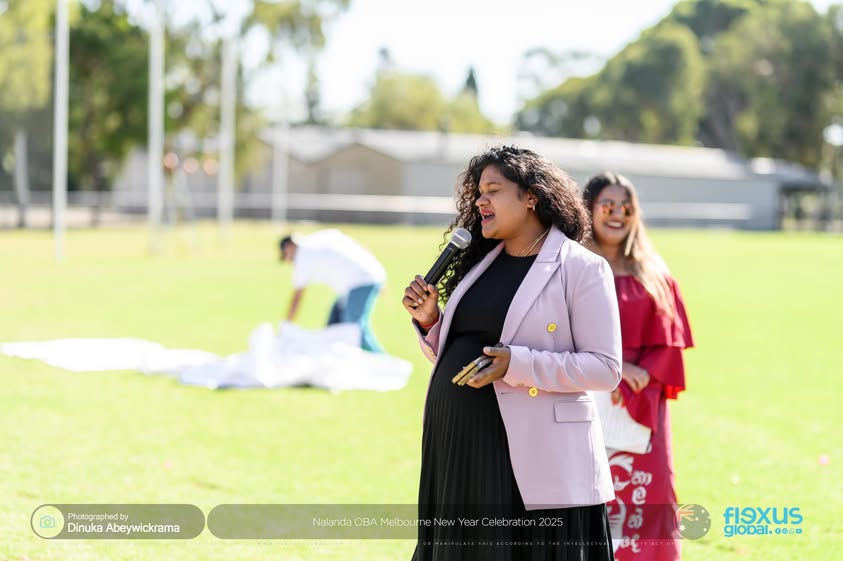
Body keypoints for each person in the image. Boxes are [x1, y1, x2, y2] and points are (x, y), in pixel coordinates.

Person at [402, 145, 622, 560]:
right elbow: (464, 347)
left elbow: (605, 368)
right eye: (477, 193)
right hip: (459, 447)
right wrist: (431, 322)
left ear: (531, 197)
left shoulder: (582, 268)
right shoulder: (479, 262)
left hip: (531, 456)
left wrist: (516, 364)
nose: (479, 202)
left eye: (493, 190)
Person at [582, 172, 694, 561]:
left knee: (653, 491)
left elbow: (670, 343)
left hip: (643, 400)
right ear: (589, 209)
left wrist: (637, 375)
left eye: (626, 208)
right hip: (585, 398)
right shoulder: (572, 266)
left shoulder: (653, 272)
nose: (617, 215)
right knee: (587, 493)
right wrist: (613, 370)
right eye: (608, 206)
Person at [279, 229, 386, 353]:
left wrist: (287, 325)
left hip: (361, 281)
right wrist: (375, 270)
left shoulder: (302, 255)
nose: (289, 261)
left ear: (290, 246)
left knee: (354, 329)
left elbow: (297, 298)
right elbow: (359, 247)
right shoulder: (320, 237)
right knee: (333, 326)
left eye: (286, 256)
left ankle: (384, 361)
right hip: (364, 278)